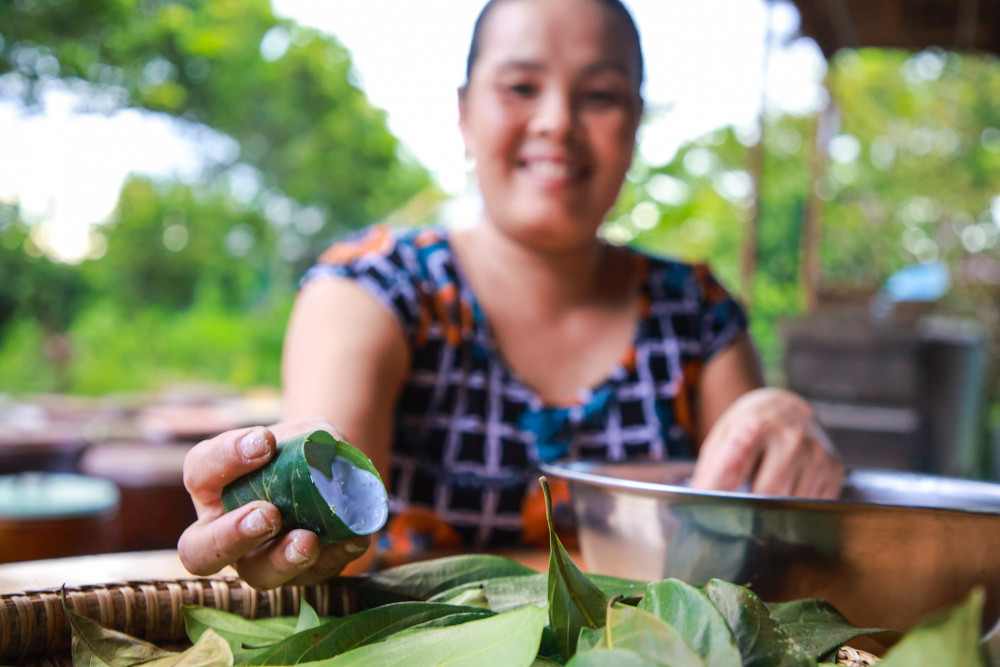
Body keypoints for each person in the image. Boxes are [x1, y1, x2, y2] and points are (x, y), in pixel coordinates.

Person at [178, 0, 843, 590]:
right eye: (522, 86)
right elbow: (332, 506)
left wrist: (780, 419)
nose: (558, 121)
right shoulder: (377, 286)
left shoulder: (695, 312)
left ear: (636, 124)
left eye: (602, 95)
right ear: (465, 116)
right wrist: (286, 503)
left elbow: (756, 550)